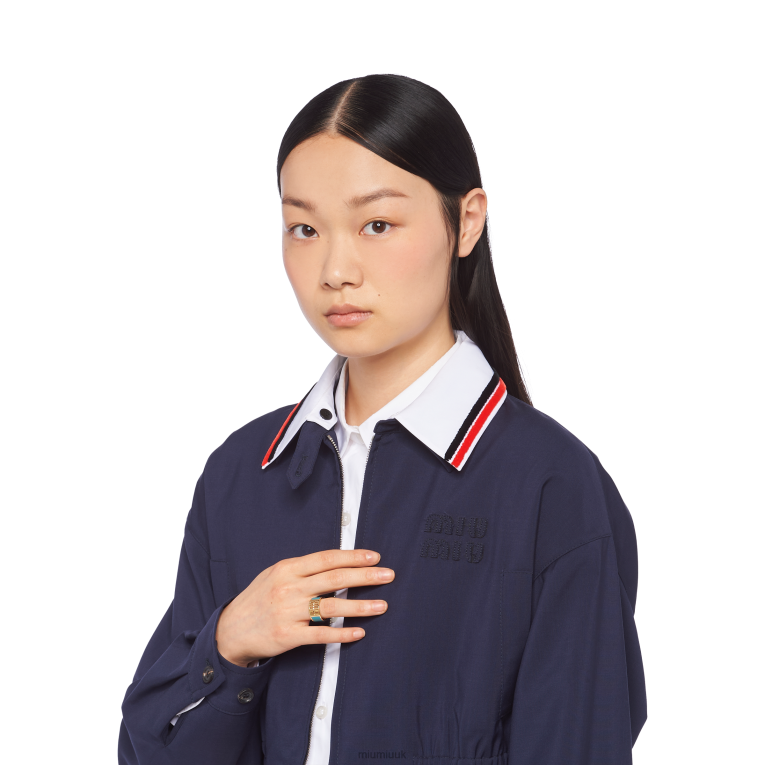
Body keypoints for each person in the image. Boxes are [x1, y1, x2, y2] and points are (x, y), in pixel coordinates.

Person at [118, 73, 647, 764]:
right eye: (304, 228)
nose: (335, 270)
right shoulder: (240, 474)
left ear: (467, 221)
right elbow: (151, 750)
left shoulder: (552, 484)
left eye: (376, 224)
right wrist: (230, 644)